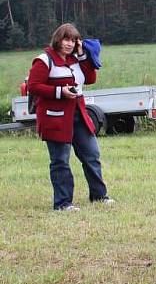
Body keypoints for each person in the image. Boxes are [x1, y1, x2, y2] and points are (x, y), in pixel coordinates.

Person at [27, 23, 113, 211]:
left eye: (74, 40)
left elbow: (90, 78)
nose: (70, 44)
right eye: (66, 39)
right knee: (60, 160)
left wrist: (83, 55)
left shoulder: (76, 59)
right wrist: (60, 91)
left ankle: (99, 196)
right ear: (58, 39)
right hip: (55, 118)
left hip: (79, 114)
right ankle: (63, 203)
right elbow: (33, 86)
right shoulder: (43, 60)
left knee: (92, 155)